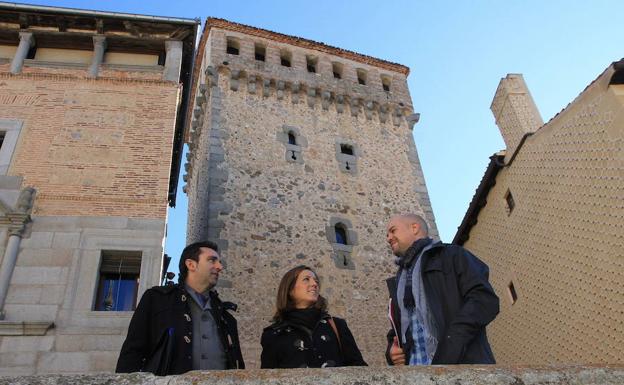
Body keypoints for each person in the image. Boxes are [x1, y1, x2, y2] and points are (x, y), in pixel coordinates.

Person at [385, 214, 499, 365]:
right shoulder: (399, 281)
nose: (389, 238)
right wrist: (391, 352)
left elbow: (484, 300)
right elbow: (399, 330)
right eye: (387, 235)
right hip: (416, 375)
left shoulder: (452, 256)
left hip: (461, 367)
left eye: (393, 231)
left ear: (414, 228)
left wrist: (452, 343)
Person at [116, 241, 244, 375]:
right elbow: (132, 352)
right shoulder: (157, 299)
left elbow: (237, 365)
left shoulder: (226, 317)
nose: (219, 267)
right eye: (212, 260)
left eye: (219, 262)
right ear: (191, 264)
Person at [260, 265, 367, 368]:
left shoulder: (337, 326)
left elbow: (358, 368)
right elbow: (268, 378)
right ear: (290, 290)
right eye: (306, 279)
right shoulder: (273, 334)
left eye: (316, 281)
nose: (314, 284)